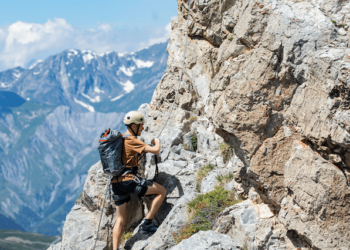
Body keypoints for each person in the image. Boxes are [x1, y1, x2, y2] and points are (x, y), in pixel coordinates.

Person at [111, 111, 166, 250]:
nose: (142, 128)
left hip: (116, 183)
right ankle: (147, 223)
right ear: (134, 126)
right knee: (161, 191)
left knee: (120, 219)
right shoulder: (132, 140)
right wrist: (157, 142)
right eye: (141, 126)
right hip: (129, 181)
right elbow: (156, 150)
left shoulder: (120, 139)